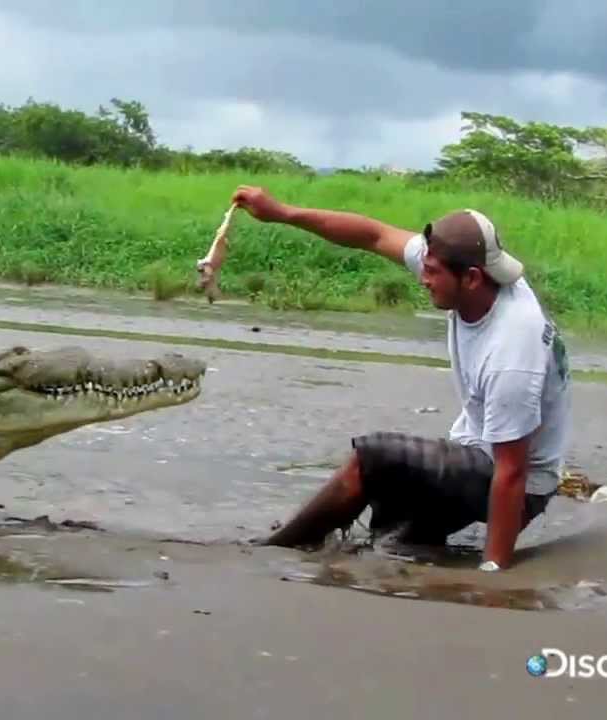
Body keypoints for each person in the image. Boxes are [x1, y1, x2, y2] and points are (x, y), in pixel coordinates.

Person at [230, 185, 571, 572]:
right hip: (481, 454)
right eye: (424, 266)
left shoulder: (511, 349)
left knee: (372, 458)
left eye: (432, 273)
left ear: (472, 278)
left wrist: (493, 576)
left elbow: (512, 474)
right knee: (393, 544)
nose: (423, 279)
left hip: (518, 484)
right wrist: (283, 213)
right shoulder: (469, 271)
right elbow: (373, 235)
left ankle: (273, 550)